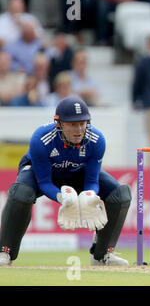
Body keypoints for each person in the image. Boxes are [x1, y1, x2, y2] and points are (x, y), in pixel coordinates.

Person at [0, 96, 131, 266]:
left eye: (82, 123)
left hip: (76, 172)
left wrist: (90, 194)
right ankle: (5, 251)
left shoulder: (97, 140)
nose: (78, 130)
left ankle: (102, 254)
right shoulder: (41, 139)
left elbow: (92, 179)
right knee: (20, 194)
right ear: (59, 124)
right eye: (72, 124)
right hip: (41, 173)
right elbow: (45, 182)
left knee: (121, 194)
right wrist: (62, 198)